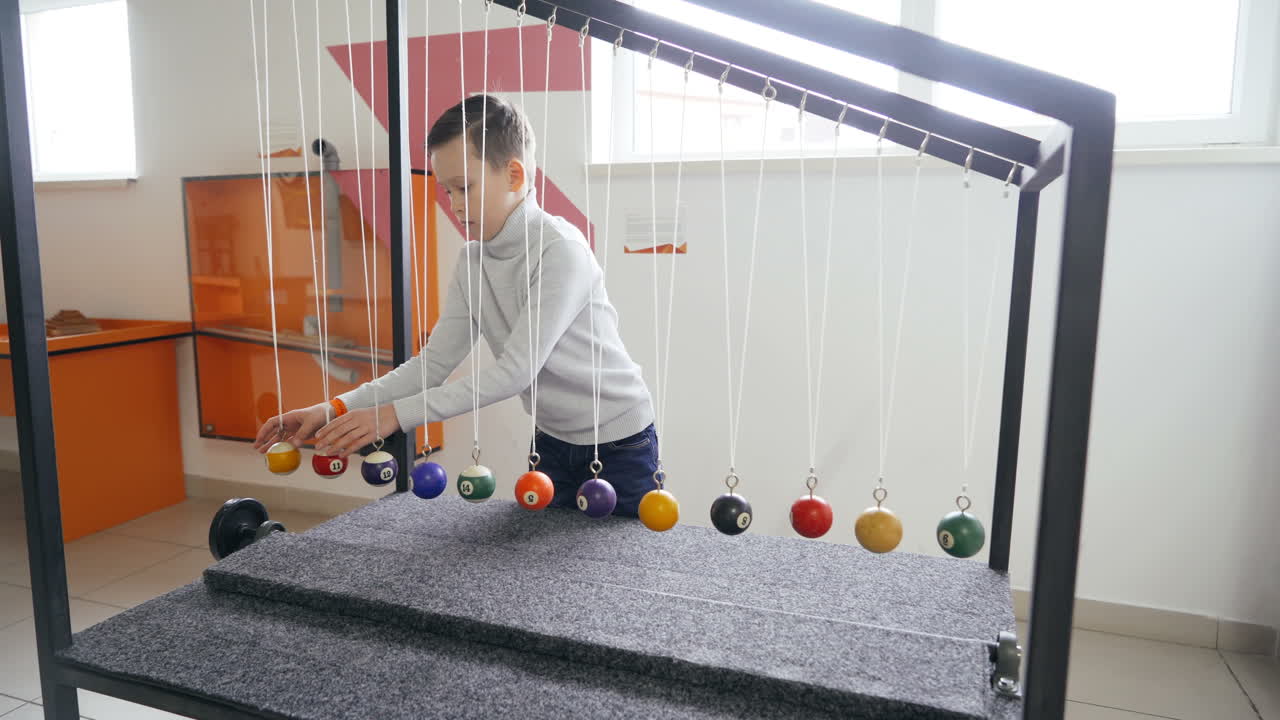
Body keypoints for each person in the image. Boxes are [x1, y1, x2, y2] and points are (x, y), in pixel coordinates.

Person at [253, 94, 658, 517]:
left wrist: (396, 415)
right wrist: (332, 408)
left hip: (621, 443)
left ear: (514, 174)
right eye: (447, 190)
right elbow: (431, 366)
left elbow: (514, 372)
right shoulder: (472, 260)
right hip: (552, 441)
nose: (455, 204)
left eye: (465, 187)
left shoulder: (561, 251)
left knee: (621, 560)